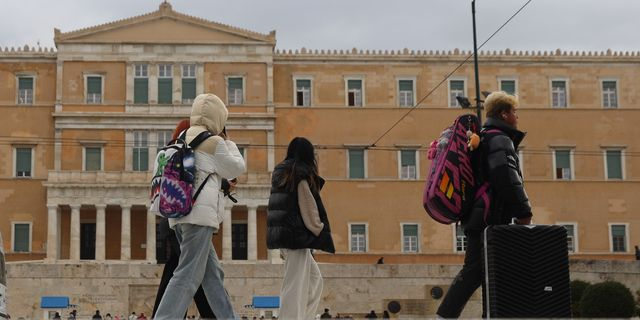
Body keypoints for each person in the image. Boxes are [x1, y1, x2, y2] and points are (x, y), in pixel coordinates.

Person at [436, 91, 532, 318]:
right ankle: (445, 317)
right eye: (514, 112)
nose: (517, 117)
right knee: (476, 272)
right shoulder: (499, 139)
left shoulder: (485, 137)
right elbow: (506, 178)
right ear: (504, 114)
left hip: (478, 216)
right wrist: (524, 211)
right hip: (490, 217)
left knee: (488, 272)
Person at [154, 93, 245, 320]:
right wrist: (228, 141)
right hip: (199, 218)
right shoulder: (214, 142)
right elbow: (236, 168)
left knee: (213, 276)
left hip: (178, 214)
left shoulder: (179, 140)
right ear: (218, 118)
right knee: (187, 275)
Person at [152, 119, 217, 320]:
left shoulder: (166, 152)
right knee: (192, 271)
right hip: (184, 216)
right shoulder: (187, 153)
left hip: (168, 217)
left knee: (177, 269)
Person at [267, 137, 336, 320]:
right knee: (294, 285)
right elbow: (308, 206)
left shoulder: (282, 172)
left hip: (286, 236)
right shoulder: (299, 173)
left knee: (314, 281)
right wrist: (318, 228)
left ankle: (304, 317)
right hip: (296, 237)